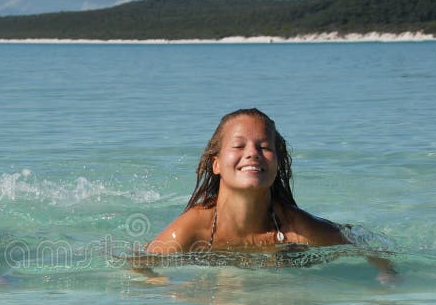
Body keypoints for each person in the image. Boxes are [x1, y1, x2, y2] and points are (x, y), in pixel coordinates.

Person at [147, 108, 347, 254]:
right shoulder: (192, 230)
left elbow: (365, 251)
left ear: (277, 163)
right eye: (238, 146)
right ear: (216, 164)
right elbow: (138, 267)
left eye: (265, 147)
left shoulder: (298, 230)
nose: (252, 153)